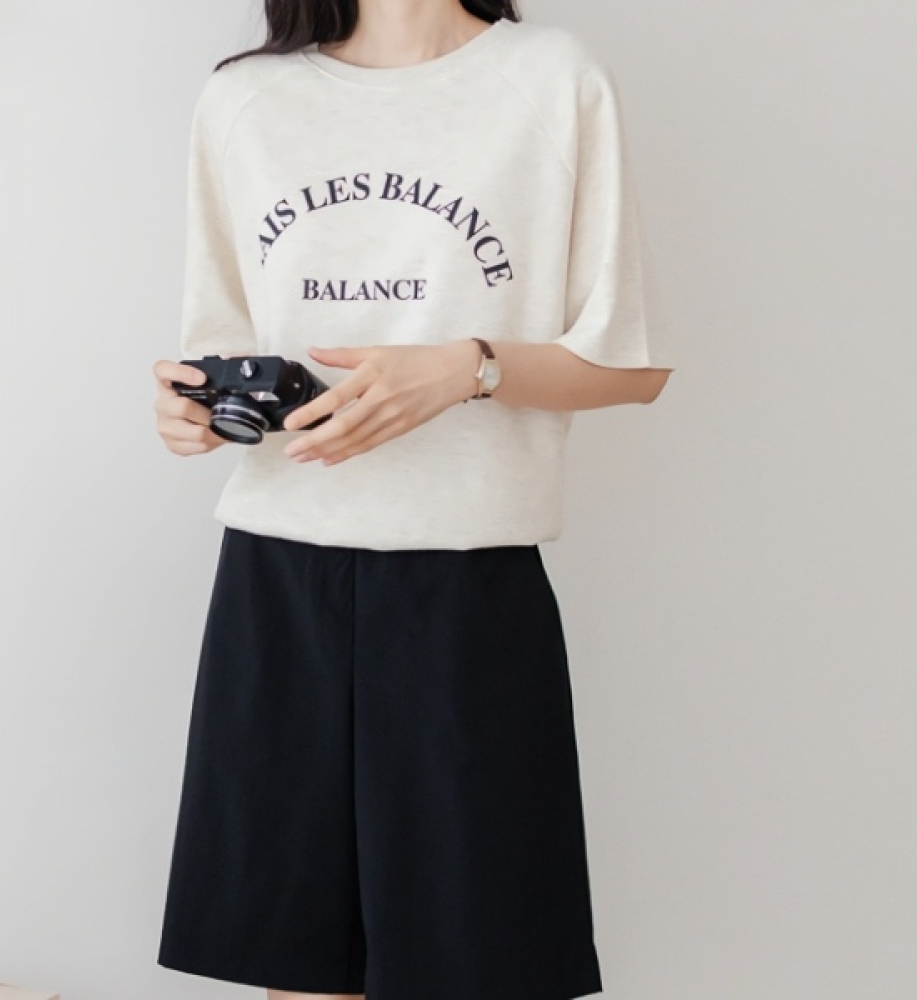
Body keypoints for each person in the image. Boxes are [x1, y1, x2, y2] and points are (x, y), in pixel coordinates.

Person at [152, 2, 675, 999]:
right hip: (277, 577)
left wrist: (466, 368)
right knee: (297, 969)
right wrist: (191, 411)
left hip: (467, 580)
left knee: (474, 967)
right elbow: (218, 349)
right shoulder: (244, 100)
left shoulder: (551, 79)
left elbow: (632, 364)